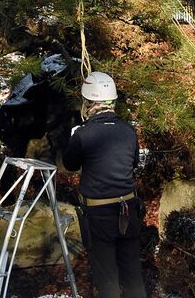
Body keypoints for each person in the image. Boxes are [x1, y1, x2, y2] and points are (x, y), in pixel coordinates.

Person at [62, 72, 146, 298]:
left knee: (107, 277)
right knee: (132, 273)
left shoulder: (83, 134)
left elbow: (70, 164)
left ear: (88, 102)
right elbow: (134, 162)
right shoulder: (128, 130)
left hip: (99, 212)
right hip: (129, 206)